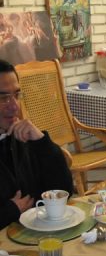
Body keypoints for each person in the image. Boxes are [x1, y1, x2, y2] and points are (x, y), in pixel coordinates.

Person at [0, 59, 73, 230]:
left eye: (16, 95)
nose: (14, 106)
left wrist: (42, 142)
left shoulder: (22, 138)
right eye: (3, 98)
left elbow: (62, 192)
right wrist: (10, 211)